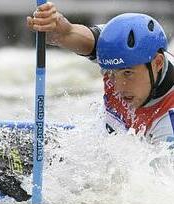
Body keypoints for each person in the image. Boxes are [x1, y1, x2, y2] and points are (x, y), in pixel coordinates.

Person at [27, 2, 174, 144]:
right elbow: (71, 34)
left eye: (127, 73)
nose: (118, 88)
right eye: (111, 73)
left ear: (158, 63)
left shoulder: (169, 124)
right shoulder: (114, 50)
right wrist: (60, 31)